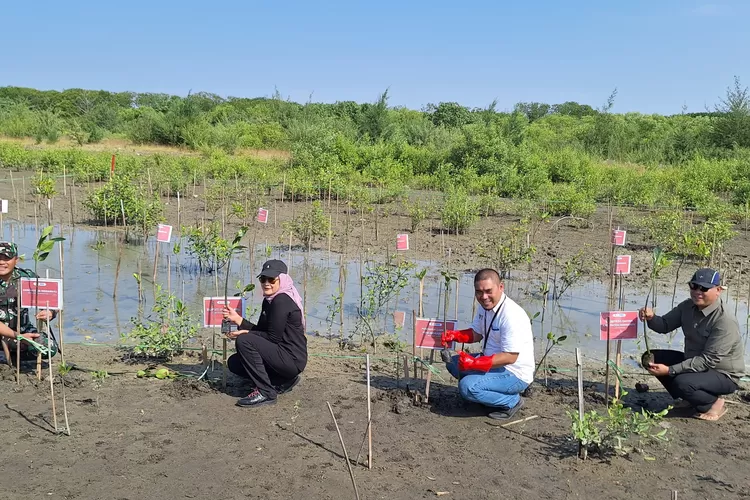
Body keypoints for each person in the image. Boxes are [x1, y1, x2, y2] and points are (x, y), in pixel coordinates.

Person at [639, 267, 745, 421]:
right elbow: (664, 325)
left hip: (723, 374)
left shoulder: (724, 320)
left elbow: (707, 361)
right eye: (694, 286)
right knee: (650, 358)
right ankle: (689, 399)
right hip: (696, 364)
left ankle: (714, 404)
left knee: (683, 382)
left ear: (718, 290)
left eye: (704, 288)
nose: (697, 291)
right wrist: (651, 317)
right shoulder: (687, 306)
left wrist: (669, 370)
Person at [439, 268, 535, 420]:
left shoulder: (511, 315)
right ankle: (488, 396)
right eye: (479, 292)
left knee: (467, 387)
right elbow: (477, 333)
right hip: (493, 361)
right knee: (453, 363)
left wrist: (475, 363)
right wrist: (456, 336)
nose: (484, 297)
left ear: (501, 287)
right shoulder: (485, 307)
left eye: (489, 291)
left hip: (515, 372)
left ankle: (512, 401)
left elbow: (510, 357)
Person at [223, 259, 307, 408]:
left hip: (291, 359)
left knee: (244, 341)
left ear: (282, 280)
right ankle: (282, 380)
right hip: (282, 355)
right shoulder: (270, 300)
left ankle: (266, 392)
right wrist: (238, 320)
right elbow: (263, 332)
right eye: (263, 279)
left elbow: (272, 338)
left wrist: (245, 333)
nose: (266, 283)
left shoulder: (281, 301)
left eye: (271, 279)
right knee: (235, 363)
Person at [0, 242, 58, 363]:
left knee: (48, 348)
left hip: (23, 330)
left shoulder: (26, 277)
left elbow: (51, 299)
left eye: (7, 258)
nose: (2, 262)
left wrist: (50, 312)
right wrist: (17, 336)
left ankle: (13, 357)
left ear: (16, 260)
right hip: (9, 334)